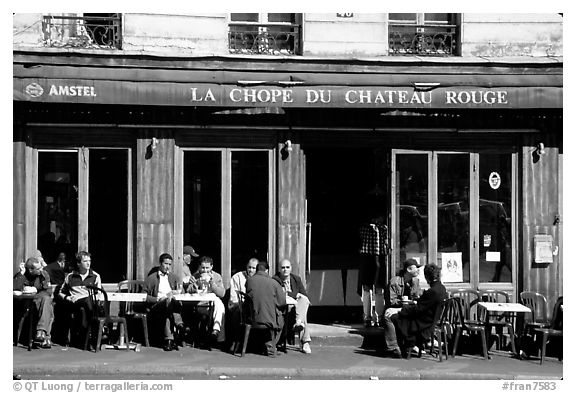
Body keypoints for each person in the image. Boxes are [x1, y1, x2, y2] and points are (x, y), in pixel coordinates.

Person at [384, 264, 447, 358]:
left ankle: (393, 347)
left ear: (427, 277)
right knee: (393, 313)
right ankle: (406, 346)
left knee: (388, 316)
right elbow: (421, 307)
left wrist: (398, 310)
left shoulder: (432, 292)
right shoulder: (441, 288)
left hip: (420, 324)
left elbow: (417, 310)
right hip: (428, 321)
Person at [139, 253, 185, 351]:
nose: (167, 267)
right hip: (157, 305)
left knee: (169, 309)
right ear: (160, 263)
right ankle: (180, 324)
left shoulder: (174, 277)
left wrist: (176, 292)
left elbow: (182, 292)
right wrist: (156, 299)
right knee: (168, 303)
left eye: (169, 264)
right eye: (166, 264)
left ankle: (169, 340)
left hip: (171, 304)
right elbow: (143, 295)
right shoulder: (152, 278)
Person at [58, 251, 102, 348]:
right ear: (78, 263)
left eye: (89, 261)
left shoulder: (95, 276)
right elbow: (60, 292)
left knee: (87, 304)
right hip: (75, 303)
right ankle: (95, 331)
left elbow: (98, 294)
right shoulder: (70, 276)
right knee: (86, 305)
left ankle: (86, 337)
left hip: (90, 303)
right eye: (85, 261)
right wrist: (68, 297)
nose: (88, 263)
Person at [246, 261, 287, 357]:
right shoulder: (274, 283)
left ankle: (264, 345)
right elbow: (281, 302)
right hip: (269, 320)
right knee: (282, 319)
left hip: (251, 318)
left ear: (256, 270)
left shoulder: (249, 281)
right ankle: (270, 346)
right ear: (267, 270)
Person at [13, 257, 54, 349]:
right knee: (48, 307)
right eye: (38, 268)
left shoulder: (44, 274)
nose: (41, 270)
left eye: (41, 267)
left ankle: (41, 333)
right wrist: (21, 274)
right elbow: (15, 288)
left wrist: (37, 290)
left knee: (47, 301)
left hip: (40, 299)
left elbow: (48, 291)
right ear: (31, 270)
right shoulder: (23, 275)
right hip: (25, 301)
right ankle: (44, 336)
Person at [273, 259, 312, 354]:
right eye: (283, 267)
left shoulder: (296, 279)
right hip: (282, 307)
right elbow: (279, 295)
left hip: (295, 308)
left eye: (287, 267)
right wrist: (294, 294)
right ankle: (305, 341)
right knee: (303, 317)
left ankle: (299, 322)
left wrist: (293, 295)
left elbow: (304, 295)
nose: (285, 270)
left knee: (304, 301)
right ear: (279, 269)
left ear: (291, 268)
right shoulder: (275, 280)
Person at [358, 216, 388, 328]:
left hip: (367, 258)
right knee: (379, 289)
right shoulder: (384, 228)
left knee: (367, 289)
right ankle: (379, 318)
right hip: (380, 258)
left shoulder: (364, 228)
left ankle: (368, 318)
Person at [187, 256, 226, 343]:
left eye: (207, 268)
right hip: (199, 305)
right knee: (219, 305)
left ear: (211, 267)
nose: (205, 270)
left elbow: (222, 293)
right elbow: (188, 291)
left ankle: (216, 331)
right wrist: (195, 284)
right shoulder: (195, 276)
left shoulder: (216, 276)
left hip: (212, 305)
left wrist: (212, 283)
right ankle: (217, 333)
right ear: (199, 267)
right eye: (203, 268)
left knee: (218, 302)